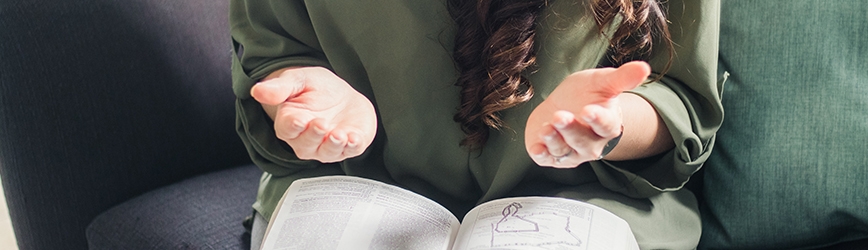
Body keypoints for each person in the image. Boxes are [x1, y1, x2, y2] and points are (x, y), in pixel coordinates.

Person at [230, 0, 723, 249]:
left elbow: (682, 103)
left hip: (582, 200)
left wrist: (608, 122)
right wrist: (303, 101)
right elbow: (273, 58)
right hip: (355, 187)